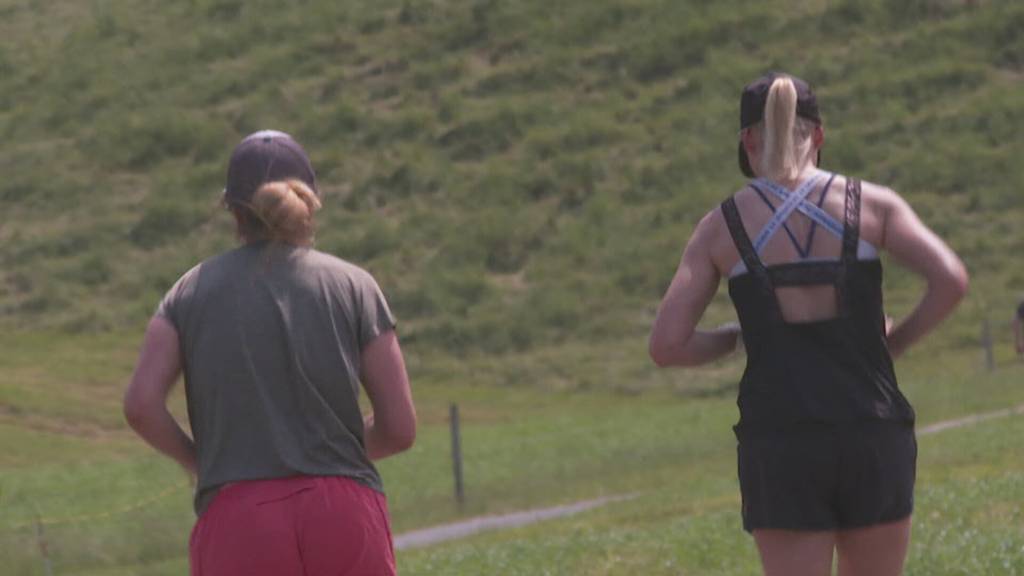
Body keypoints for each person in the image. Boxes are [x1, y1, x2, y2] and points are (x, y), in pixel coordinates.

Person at [649, 73, 968, 576]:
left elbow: (667, 345)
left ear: (747, 141)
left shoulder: (722, 226)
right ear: (817, 135)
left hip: (781, 440)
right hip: (871, 429)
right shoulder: (872, 205)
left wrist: (735, 338)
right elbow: (950, 280)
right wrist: (893, 346)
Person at [124, 130, 416, 576]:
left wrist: (202, 461)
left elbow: (141, 406)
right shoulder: (355, 285)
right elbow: (399, 428)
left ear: (233, 212)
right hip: (343, 511)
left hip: (238, 516)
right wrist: (333, 458)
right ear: (309, 202)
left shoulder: (188, 293)